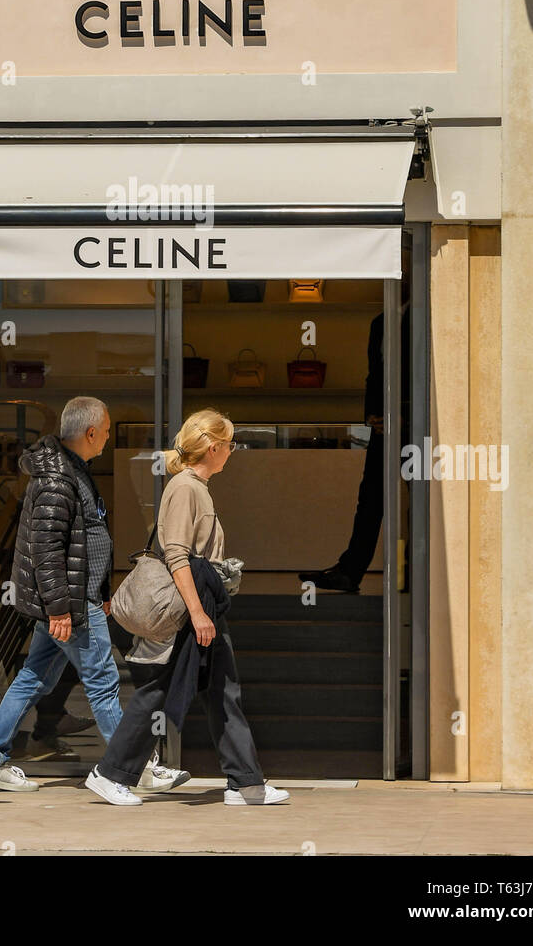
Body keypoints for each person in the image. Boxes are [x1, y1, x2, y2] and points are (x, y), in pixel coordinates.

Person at [0, 396, 187, 793]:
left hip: (76, 600)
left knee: (32, 678)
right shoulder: (58, 479)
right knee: (104, 682)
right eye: (105, 430)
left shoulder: (72, 471)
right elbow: (47, 549)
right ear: (90, 432)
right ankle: (130, 769)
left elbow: (85, 539)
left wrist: (101, 591)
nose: (107, 436)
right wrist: (60, 609)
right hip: (71, 605)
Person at [86, 408, 290, 807]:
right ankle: (110, 773)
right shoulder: (186, 488)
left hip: (200, 602)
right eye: (230, 444)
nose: (232, 451)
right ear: (214, 448)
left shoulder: (195, 486)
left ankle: (244, 783)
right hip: (189, 605)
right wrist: (197, 614)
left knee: (220, 690)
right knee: (159, 688)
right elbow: (177, 555)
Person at [299, 304, 410, 593]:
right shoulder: (381, 322)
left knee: (421, 501)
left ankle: (415, 571)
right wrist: (371, 415)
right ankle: (350, 572)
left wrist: (405, 415)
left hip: (416, 427)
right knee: (370, 499)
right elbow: (375, 374)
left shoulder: (428, 314)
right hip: (383, 428)